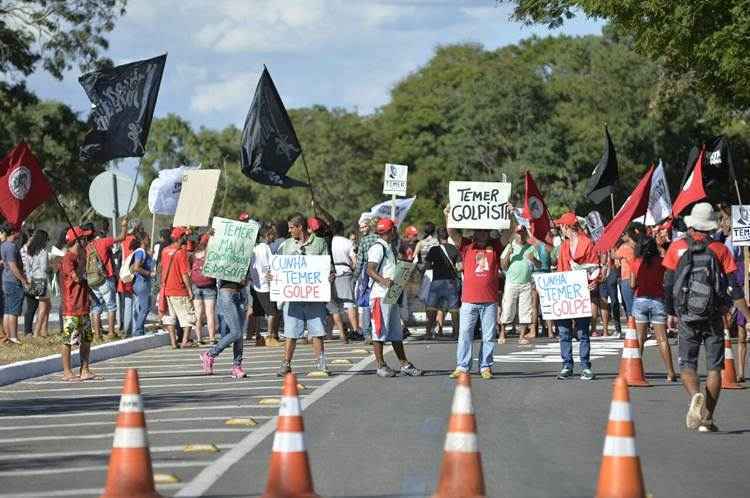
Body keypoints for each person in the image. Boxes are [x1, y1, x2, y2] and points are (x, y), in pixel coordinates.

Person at [663, 203, 750, 432]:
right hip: (713, 316)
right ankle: (708, 419)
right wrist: (747, 315)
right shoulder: (721, 249)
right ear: (711, 226)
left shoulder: (677, 247)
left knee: (687, 365)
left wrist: (670, 313)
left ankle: (695, 396)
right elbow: (735, 288)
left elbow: (669, 284)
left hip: (686, 316)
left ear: (692, 224)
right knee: (715, 369)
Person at [444, 206, 504, 380]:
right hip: (469, 300)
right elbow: (453, 233)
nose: (482, 234)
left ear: (489, 233)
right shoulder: (466, 246)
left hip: (490, 300)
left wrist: (509, 216)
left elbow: (508, 234)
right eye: (479, 231)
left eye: (485, 232)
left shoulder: (495, 247)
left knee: (488, 336)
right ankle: (462, 366)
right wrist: (448, 215)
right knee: (464, 334)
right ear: (474, 233)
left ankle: (485, 366)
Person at [276, 214, 332, 377]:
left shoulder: (319, 243)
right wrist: (273, 276)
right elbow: (278, 266)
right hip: (293, 298)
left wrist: (330, 275)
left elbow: (327, 266)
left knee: (317, 331)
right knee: (291, 332)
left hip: (314, 297)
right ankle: (286, 363)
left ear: (300, 227)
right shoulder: (286, 245)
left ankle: (321, 362)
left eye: (291, 227)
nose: (289, 230)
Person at [366, 218, 423, 377]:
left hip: (390, 295)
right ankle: (380, 365)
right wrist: (384, 281)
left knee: (396, 331)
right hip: (380, 295)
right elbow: (370, 269)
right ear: (391, 231)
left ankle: (404, 364)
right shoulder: (378, 248)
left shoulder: (388, 247)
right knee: (379, 331)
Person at [553, 212, 599, 381]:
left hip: (581, 293)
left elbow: (595, 267)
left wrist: (594, 281)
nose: (559, 228)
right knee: (564, 331)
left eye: (561, 226)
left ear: (566, 226)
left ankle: (585, 366)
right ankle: (567, 365)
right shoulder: (563, 246)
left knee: (582, 331)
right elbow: (560, 269)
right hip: (565, 294)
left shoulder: (587, 243)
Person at [630, 235, 676, 382]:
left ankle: (636, 370)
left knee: (640, 338)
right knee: (662, 338)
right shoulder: (660, 262)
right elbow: (664, 278)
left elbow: (632, 284)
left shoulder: (636, 262)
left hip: (641, 299)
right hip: (657, 300)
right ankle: (670, 372)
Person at [60, 227, 95, 381]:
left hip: (84, 305)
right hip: (71, 307)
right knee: (68, 340)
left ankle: (85, 369)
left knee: (86, 339)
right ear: (77, 240)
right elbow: (77, 278)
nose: (87, 241)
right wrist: (83, 260)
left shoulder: (80, 257)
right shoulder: (68, 259)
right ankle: (67, 372)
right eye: (84, 239)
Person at [86, 219, 128, 340]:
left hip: (92, 280)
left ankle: (97, 335)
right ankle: (111, 333)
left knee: (96, 308)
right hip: (105, 278)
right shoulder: (103, 242)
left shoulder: (88, 246)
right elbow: (122, 237)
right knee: (111, 306)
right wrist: (124, 225)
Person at [499, 225, 539, 345]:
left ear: (525, 234)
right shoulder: (510, 246)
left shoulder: (531, 248)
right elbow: (503, 266)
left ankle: (522, 336)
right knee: (507, 308)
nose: (520, 235)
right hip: (511, 282)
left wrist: (534, 260)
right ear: (515, 234)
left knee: (525, 310)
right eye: (518, 233)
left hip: (526, 283)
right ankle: (502, 333)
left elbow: (539, 265)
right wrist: (509, 254)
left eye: (522, 232)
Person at [161, 227, 196, 349]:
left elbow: (162, 268)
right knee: (187, 316)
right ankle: (185, 340)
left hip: (167, 290)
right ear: (180, 238)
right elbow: (185, 274)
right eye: (184, 237)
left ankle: (173, 342)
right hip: (180, 290)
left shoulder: (164, 251)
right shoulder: (181, 253)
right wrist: (190, 290)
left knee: (170, 317)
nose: (185, 238)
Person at [424, 227, 461, 339]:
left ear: (438, 237)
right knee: (454, 309)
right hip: (450, 282)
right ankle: (456, 333)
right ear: (447, 236)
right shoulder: (454, 248)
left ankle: (428, 333)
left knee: (431, 307)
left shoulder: (434, 249)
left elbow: (427, 265)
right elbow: (460, 267)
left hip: (437, 282)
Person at [249, 223, 282, 347]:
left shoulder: (254, 248)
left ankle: (258, 337)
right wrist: (270, 279)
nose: (274, 237)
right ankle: (269, 336)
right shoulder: (265, 248)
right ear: (267, 235)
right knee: (272, 312)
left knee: (258, 312)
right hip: (265, 285)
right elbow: (268, 266)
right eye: (273, 234)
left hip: (255, 285)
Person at [330, 220, 361, 341]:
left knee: (335, 307)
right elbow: (354, 261)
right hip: (345, 273)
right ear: (342, 230)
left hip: (331, 275)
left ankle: (342, 333)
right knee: (349, 304)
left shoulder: (328, 242)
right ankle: (355, 330)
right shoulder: (348, 243)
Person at [1, 223, 30, 344]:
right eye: (18, 230)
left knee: (8, 310)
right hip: (13, 281)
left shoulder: (3, 245)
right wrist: (24, 281)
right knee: (14, 310)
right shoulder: (11, 247)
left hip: (6, 280)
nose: (20, 232)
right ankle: (13, 336)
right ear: (13, 232)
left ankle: (8, 335)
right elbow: (13, 266)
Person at [21, 229, 50, 337]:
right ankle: (37, 332)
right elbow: (44, 268)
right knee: (43, 308)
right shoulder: (43, 251)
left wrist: (29, 279)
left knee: (36, 306)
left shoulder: (29, 250)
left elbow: (27, 268)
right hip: (41, 280)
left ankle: (40, 331)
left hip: (32, 280)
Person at [190, 233, 217, 345]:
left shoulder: (193, 255)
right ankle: (211, 338)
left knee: (198, 313)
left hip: (196, 286)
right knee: (210, 313)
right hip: (209, 285)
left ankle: (199, 338)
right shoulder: (211, 254)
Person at [117, 220, 143, 336]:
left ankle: (127, 330)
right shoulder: (137, 240)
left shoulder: (123, 240)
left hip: (124, 272)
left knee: (127, 303)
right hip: (135, 273)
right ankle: (134, 330)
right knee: (136, 303)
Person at [131, 234, 155, 337]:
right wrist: (149, 274)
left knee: (142, 308)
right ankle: (138, 331)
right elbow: (136, 268)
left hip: (141, 283)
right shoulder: (140, 252)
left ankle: (139, 329)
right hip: (142, 283)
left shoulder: (143, 252)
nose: (149, 239)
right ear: (143, 240)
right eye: (147, 238)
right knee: (145, 308)